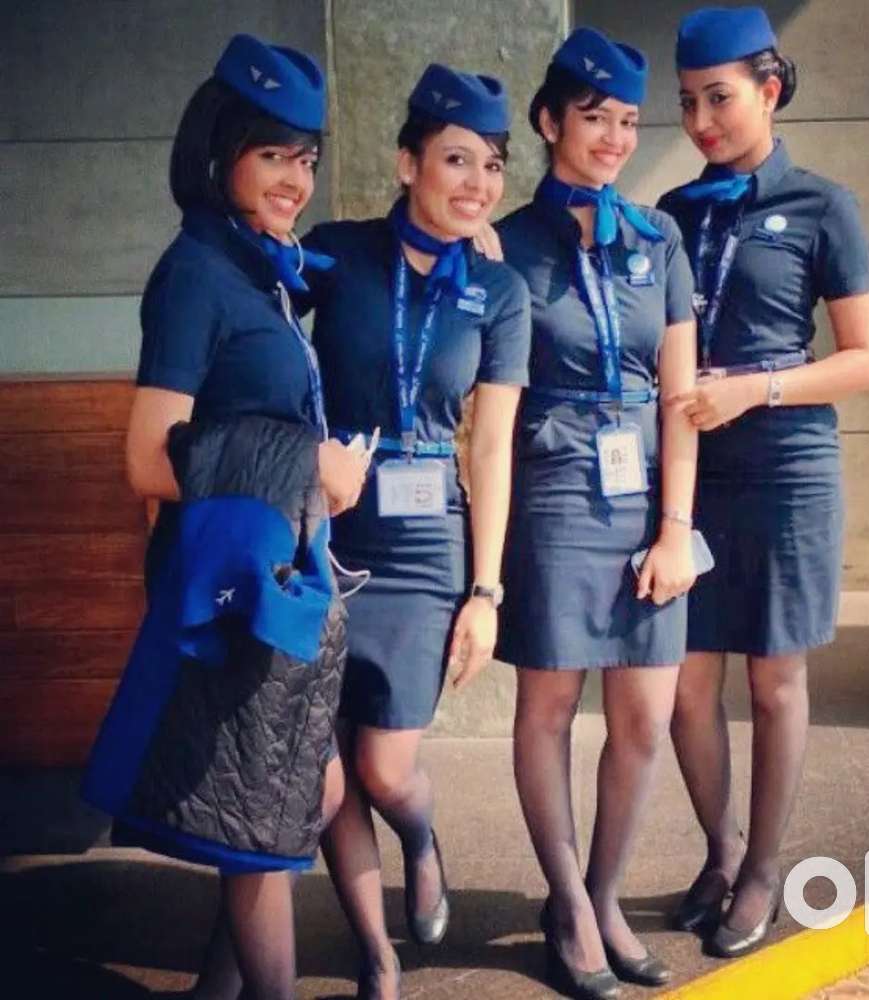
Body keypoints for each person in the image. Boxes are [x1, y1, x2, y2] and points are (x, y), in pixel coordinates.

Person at [81, 34, 367, 1000]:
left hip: (272, 569)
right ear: (221, 151)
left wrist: (475, 238)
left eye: (306, 158)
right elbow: (145, 456)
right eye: (272, 154)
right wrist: (307, 464)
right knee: (268, 822)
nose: (296, 179)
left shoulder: (262, 267)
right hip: (229, 574)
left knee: (291, 795)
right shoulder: (197, 273)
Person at [658, 6, 869, 958]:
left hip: (788, 467)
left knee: (775, 677)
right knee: (683, 679)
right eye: (687, 103)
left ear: (770, 88)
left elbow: (867, 360)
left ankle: (762, 874)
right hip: (694, 469)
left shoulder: (824, 206)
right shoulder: (674, 214)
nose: (701, 121)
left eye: (719, 98)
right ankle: (721, 852)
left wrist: (756, 388)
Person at [300, 64, 531, 999]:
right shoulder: (334, 253)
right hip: (327, 528)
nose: (477, 183)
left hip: (430, 541)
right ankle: (376, 952)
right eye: (456, 159)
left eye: (492, 166)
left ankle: (422, 837)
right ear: (408, 163)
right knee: (326, 764)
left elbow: (493, 447)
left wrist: (487, 591)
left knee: (385, 766)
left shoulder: (499, 291)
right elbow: (259, 325)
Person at [496, 27, 698, 1000]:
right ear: (549, 121)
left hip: (645, 489)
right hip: (551, 491)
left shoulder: (658, 238)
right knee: (548, 709)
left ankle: (605, 892)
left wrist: (675, 526)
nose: (615, 137)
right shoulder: (504, 245)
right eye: (594, 117)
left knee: (645, 717)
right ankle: (569, 904)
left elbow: (681, 396)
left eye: (627, 120)